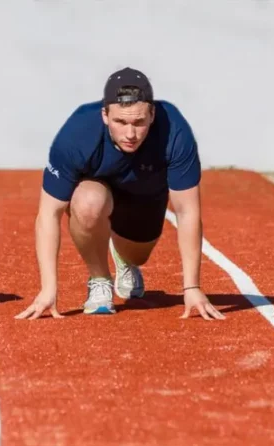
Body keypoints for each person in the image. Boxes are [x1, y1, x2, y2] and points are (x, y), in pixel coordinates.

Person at [15, 67, 225, 321]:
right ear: (105, 115)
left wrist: (191, 287)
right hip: (97, 193)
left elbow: (187, 210)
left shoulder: (175, 132)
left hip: (145, 198)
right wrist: (48, 289)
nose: (130, 134)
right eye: (120, 122)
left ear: (152, 115)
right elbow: (48, 213)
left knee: (138, 255)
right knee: (87, 202)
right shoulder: (77, 133)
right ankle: (100, 279)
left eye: (139, 122)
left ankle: (124, 259)